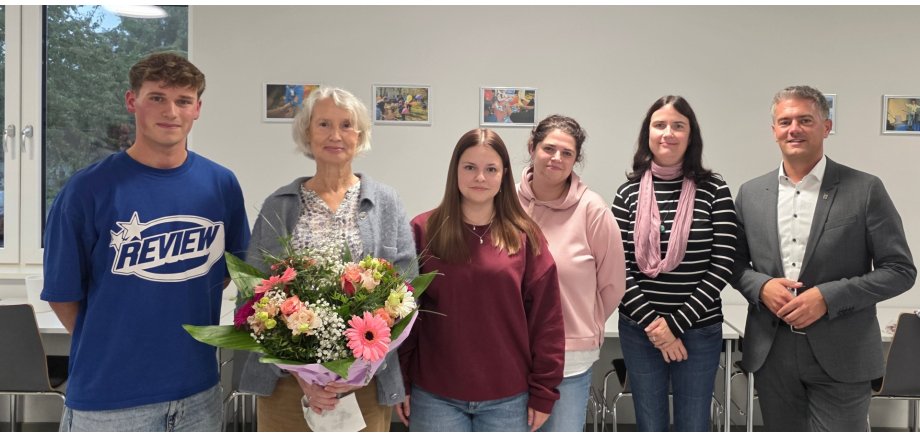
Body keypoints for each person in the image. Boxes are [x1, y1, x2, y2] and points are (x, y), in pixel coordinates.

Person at [41, 52, 251, 432]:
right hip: (110, 399)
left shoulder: (221, 184)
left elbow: (225, 272)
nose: (170, 111)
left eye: (183, 100)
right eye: (157, 97)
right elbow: (62, 293)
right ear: (131, 101)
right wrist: (115, 343)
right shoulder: (86, 190)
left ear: (197, 109)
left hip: (198, 394)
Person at [730, 85, 916, 431]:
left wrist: (827, 297)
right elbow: (734, 263)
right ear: (774, 132)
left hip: (843, 352)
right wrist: (762, 286)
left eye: (805, 120)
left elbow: (900, 270)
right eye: (785, 122)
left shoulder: (865, 189)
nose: (794, 129)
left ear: (826, 127)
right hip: (773, 353)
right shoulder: (751, 193)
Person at [238, 86, 418, 432]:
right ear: (307, 132)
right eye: (323, 124)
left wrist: (361, 369)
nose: (335, 135)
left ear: (360, 136)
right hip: (286, 388)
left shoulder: (386, 203)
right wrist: (298, 371)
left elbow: (407, 290)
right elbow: (253, 292)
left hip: (363, 387)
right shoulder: (280, 204)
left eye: (347, 125)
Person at [398, 128, 564, 432]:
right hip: (435, 395)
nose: (480, 178)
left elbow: (547, 320)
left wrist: (544, 392)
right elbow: (407, 318)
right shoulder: (423, 230)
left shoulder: (525, 237)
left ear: (504, 175)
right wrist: (402, 380)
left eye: (491, 169)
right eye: (470, 168)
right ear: (455, 172)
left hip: (508, 398)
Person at [611, 95, 737, 431]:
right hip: (640, 330)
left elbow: (724, 262)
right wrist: (656, 327)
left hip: (698, 328)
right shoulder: (627, 193)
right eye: (660, 125)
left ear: (690, 135)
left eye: (678, 125)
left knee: (693, 424)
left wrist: (675, 326)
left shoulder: (714, 190)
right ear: (647, 134)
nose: (668, 132)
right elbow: (616, 267)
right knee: (650, 423)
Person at [516, 115, 626, 431]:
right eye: (549, 148)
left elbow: (612, 283)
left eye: (567, 153)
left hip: (570, 357)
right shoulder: (505, 202)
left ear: (576, 160)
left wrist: (582, 324)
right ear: (532, 148)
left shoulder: (593, 210)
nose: (556, 158)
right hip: (511, 351)